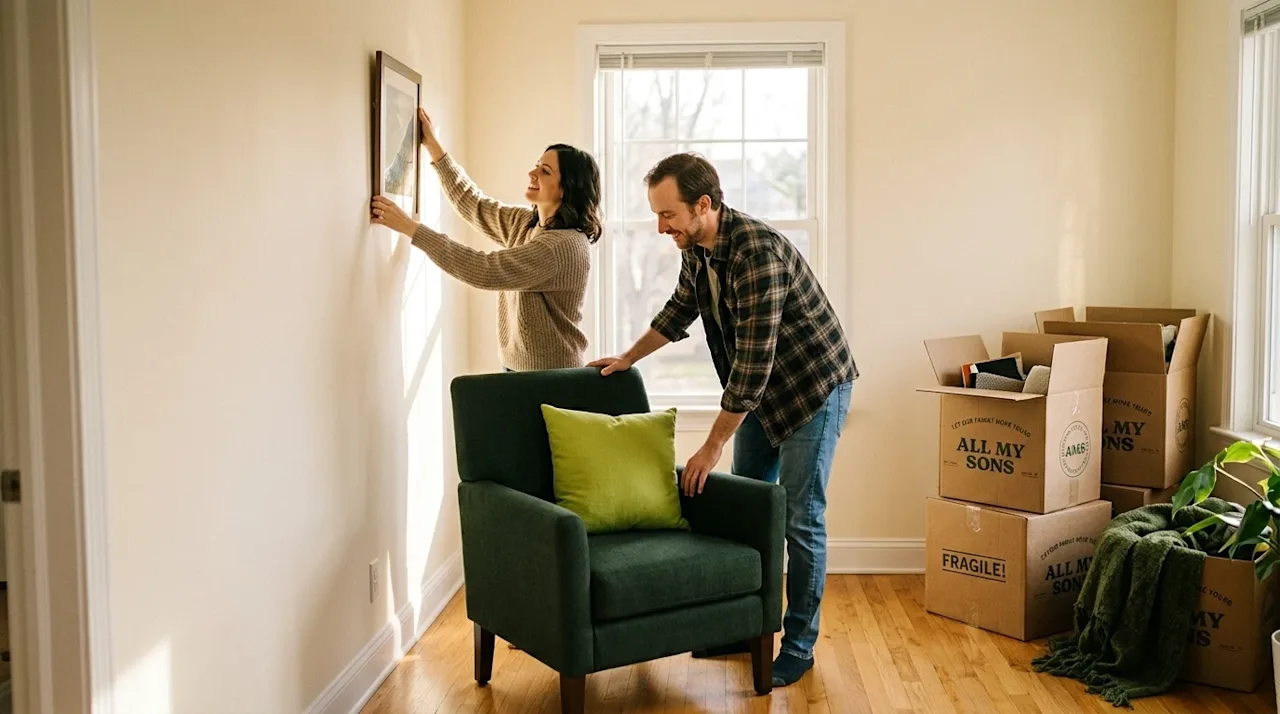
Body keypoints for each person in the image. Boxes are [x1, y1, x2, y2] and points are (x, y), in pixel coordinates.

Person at [589, 153, 857, 687]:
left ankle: (799, 646)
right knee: (750, 509)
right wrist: (627, 358)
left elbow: (753, 365)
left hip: (811, 390)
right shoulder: (699, 249)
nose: (661, 227)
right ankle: (748, 625)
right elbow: (677, 312)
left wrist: (710, 449)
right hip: (758, 395)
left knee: (800, 521)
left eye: (668, 215)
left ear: (704, 205)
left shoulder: (757, 253)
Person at [371, 108, 602, 371]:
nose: (532, 173)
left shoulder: (562, 246)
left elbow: (485, 269)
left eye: (545, 171)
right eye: (537, 164)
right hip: (520, 371)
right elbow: (474, 203)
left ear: (567, 188)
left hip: (550, 377)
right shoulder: (528, 223)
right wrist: (434, 147)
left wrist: (413, 229)